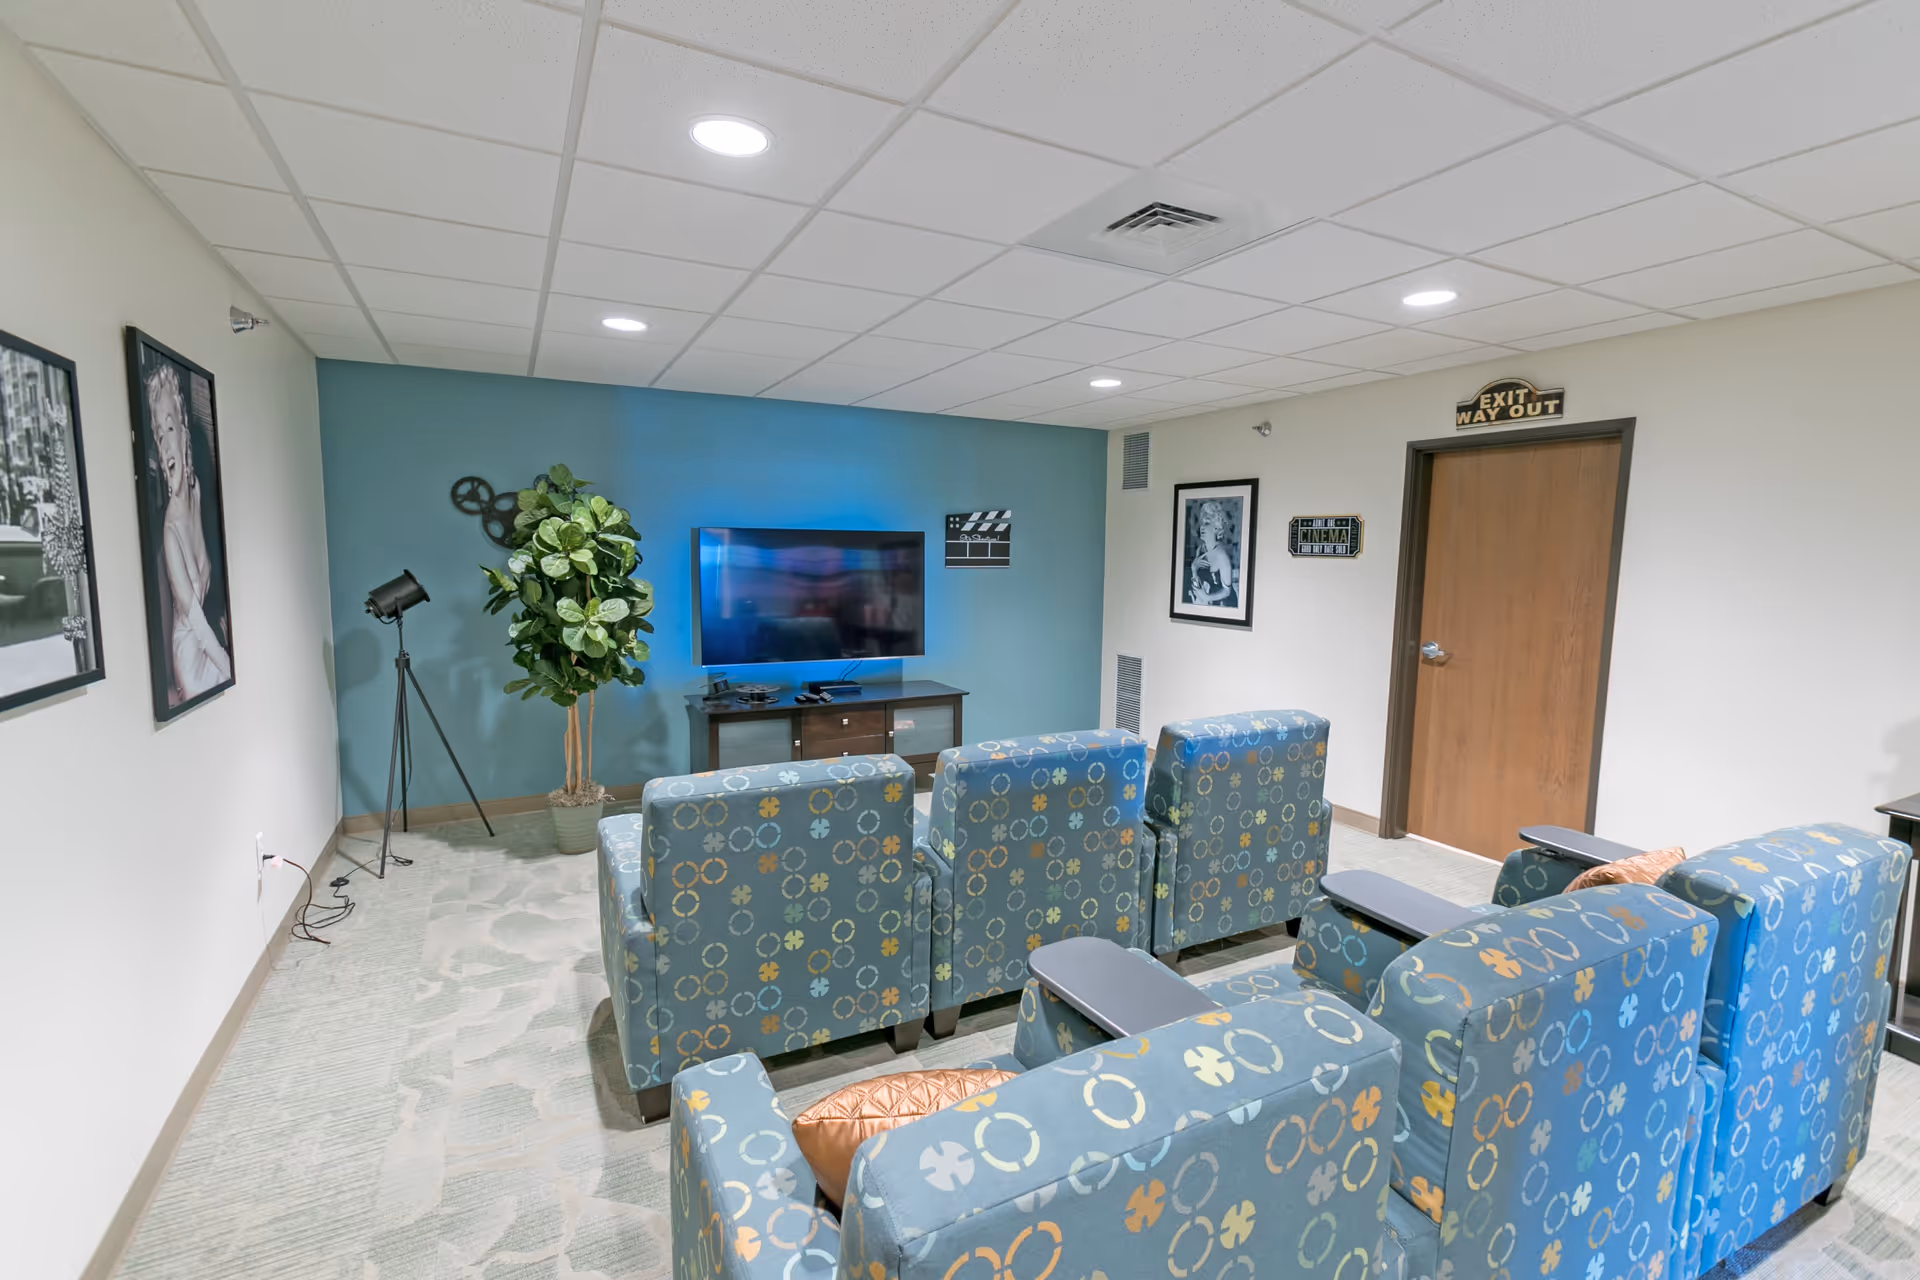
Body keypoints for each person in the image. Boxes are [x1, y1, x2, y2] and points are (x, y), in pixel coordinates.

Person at [146, 363, 231, 699]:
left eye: (170, 427)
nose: (166, 444)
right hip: (192, 661)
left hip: (210, 641)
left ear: (183, 430)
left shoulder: (196, 491)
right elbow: (196, 624)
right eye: (158, 433)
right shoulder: (170, 534)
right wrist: (231, 666)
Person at [1187, 499, 1238, 609]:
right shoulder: (1201, 550)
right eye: (1201, 523)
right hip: (1207, 604)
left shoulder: (1222, 555)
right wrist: (1193, 569)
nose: (1202, 527)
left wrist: (1206, 597)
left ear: (1216, 527)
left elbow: (1227, 591)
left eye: (1206, 523)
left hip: (1224, 606)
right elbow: (1198, 585)